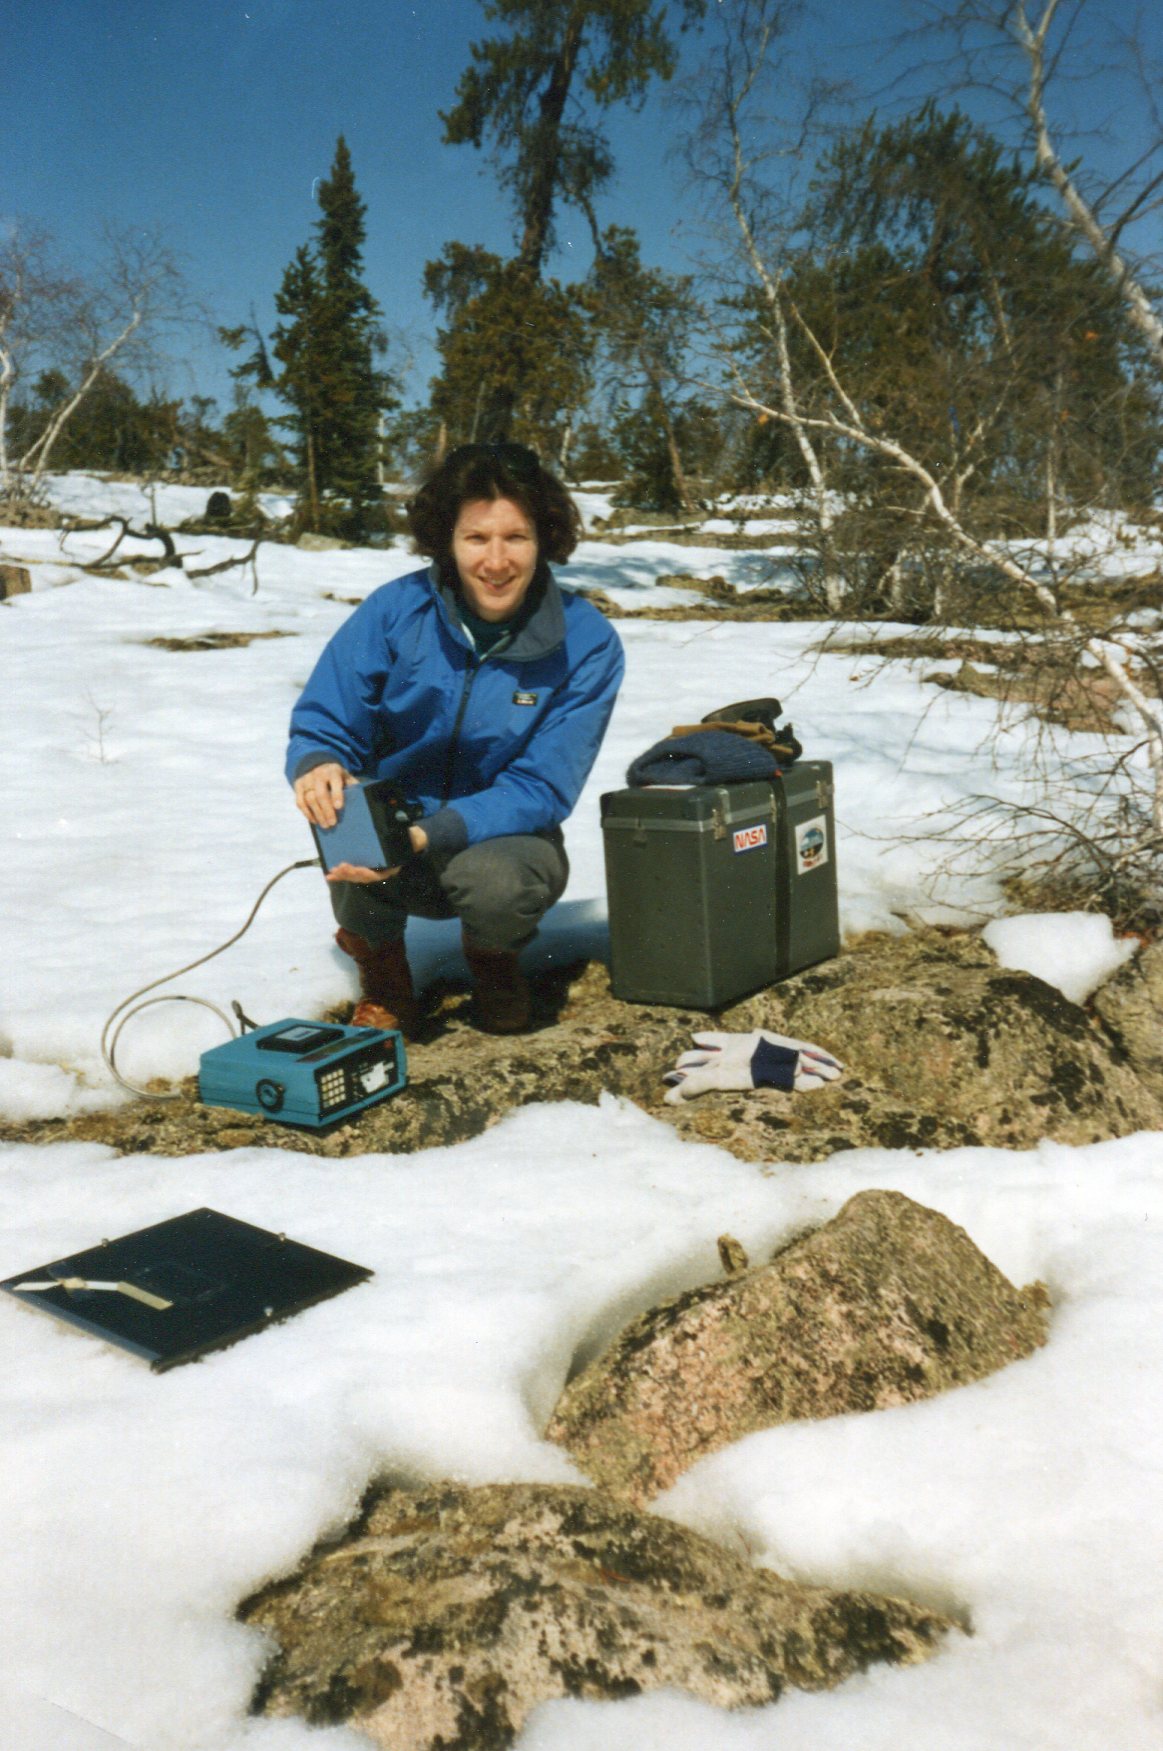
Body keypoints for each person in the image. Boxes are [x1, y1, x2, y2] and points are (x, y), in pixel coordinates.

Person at [287, 442, 625, 1036]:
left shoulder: (588, 641)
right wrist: (317, 763)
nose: (496, 561)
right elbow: (328, 717)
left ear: (544, 538)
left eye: (515, 538)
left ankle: (495, 965)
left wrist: (426, 834)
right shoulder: (396, 611)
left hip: (501, 837)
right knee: (343, 810)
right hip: (395, 820)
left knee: (496, 884)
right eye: (476, 539)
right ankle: (383, 970)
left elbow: (543, 784)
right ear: (447, 540)